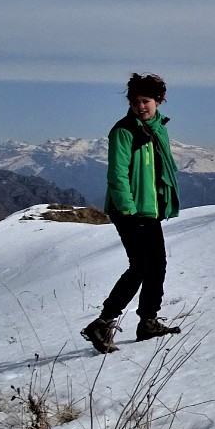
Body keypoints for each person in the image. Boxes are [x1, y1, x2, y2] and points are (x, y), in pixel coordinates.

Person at [80, 73, 183, 354]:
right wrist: (128, 210)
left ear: (159, 100)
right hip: (129, 210)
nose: (141, 106)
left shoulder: (158, 129)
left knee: (157, 264)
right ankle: (103, 322)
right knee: (140, 265)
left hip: (149, 209)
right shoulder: (125, 131)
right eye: (136, 101)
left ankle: (148, 321)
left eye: (146, 101)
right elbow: (117, 175)